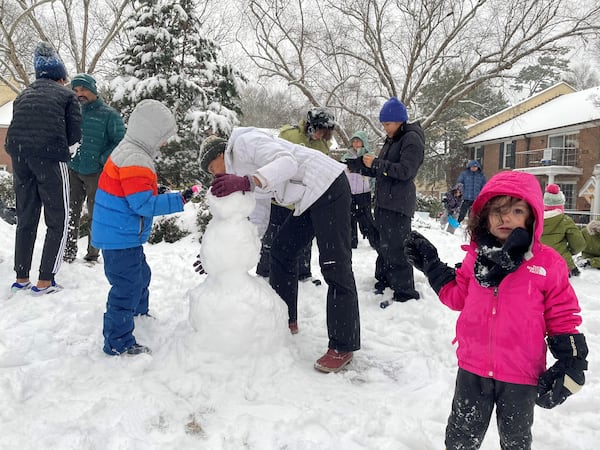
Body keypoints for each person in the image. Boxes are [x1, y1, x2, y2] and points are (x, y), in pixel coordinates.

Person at [404, 171, 588, 450]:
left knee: (515, 442)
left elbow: (562, 316)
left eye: (516, 210)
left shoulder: (547, 263)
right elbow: (458, 296)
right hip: (473, 369)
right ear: (485, 216)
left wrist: (572, 360)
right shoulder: (476, 258)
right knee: (460, 439)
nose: (505, 218)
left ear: (531, 216)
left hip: (520, 375)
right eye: (497, 211)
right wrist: (432, 265)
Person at [198, 129, 360, 373]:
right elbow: (260, 213)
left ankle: (343, 345)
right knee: (281, 251)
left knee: (334, 266)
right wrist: (226, 253)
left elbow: (288, 162)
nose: (216, 175)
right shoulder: (241, 171)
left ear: (221, 153)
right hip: (307, 197)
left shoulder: (245, 143)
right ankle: (286, 318)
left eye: (213, 168)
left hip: (327, 185)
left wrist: (247, 182)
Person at [92, 99, 197, 356]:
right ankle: (117, 341)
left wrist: (154, 190)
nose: (163, 143)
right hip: (120, 237)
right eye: (162, 137)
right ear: (151, 131)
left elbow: (132, 191)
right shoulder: (135, 158)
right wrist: (179, 198)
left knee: (140, 275)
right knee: (126, 287)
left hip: (122, 234)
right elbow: (142, 204)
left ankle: (138, 314)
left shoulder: (131, 151)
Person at [5, 41, 82, 295]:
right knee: (58, 219)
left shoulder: (23, 95)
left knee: (26, 217)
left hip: (19, 156)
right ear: (61, 76)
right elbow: (74, 135)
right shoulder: (67, 95)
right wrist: (67, 152)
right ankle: (46, 280)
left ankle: (22, 276)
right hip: (50, 157)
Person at [346, 96, 424, 303]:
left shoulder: (411, 139)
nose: (385, 128)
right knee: (383, 245)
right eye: (383, 124)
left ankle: (405, 292)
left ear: (400, 121)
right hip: (383, 202)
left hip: (398, 204)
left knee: (397, 248)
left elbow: (406, 171)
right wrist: (356, 167)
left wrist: (378, 163)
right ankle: (385, 280)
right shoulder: (393, 139)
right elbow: (381, 171)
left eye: (387, 124)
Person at [255, 107, 336, 285]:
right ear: (310, 125)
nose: (319, 135)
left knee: (303, 240)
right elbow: (272, 161)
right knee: (273, 237)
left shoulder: (323, 146)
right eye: (318, 130)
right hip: (280, 199)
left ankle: (303, 273)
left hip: (303, 201)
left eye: (324, 132)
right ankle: (265, 272)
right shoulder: (288, 135)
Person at [63, 73, 126, 263]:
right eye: (76, 90)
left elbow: (120, 141)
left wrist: (102, 159)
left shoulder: (109, 115)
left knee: (95, 214)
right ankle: (68, 252)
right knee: (70, 212)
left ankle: (92, 254)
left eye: (83, 89)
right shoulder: (73, 112)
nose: (79, 94)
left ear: (93, 90)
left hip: (97, 172)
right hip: (73, 168)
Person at [340, 131, 378, 249]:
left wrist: (373, 188)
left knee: (366, 217)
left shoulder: (369, 157)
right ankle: (352, 242)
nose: (356, 144)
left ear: (363, 142)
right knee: (349, 218)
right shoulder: (346, 157)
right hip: (349, 192)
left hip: (364, 192)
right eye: (354, 141)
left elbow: (375, 175)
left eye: (358, 141)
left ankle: (375, 240)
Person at [540, 184, 585, 277]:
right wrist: (570, 252)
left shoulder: (534, 220)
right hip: (561, 263)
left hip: (537, 264)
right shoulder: (565, 220)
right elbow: (579, 244)